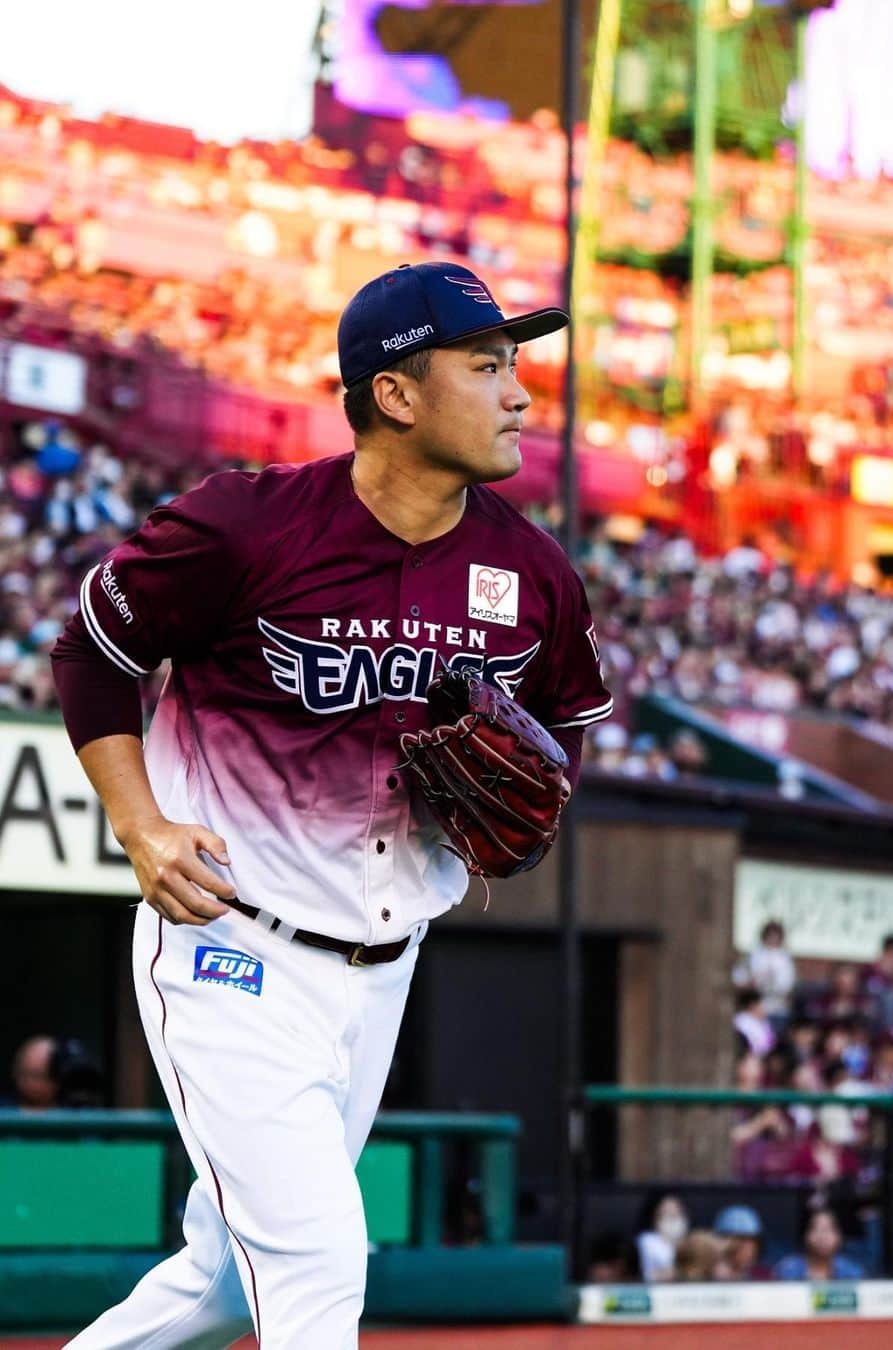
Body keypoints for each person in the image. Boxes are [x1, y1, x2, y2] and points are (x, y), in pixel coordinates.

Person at [50, 261, 612, 1348]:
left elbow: (569, 726)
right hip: (229, 942)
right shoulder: (246, 527)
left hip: (381, 964)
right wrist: (140, 823)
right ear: (395, 394)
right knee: (315, 1257)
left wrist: (527, 797)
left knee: (221, 1284)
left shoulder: (534, 572)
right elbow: (95, 648)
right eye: (487, 365)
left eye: (516, 366)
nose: (520, 393)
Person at [772, 1205, 864, 1281]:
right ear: (805, 1235)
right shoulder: (787, 1270)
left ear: (840, 1237)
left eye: (829, 1229)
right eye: (815, 1229)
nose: (822, 1236)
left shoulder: (851, 1272)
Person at [635, 1191, 691, 1283]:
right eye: (667, 1214)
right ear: (655, 1217)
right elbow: (647, 1274)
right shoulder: (647, 1241)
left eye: (676, 1214)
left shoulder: (690, 1241)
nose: (672, 1219)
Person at [712, 1205, 771, 1280]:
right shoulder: (709, 1274)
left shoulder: (764, 1275)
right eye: (738, 1240)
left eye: (750, 1240)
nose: (745, 1248)